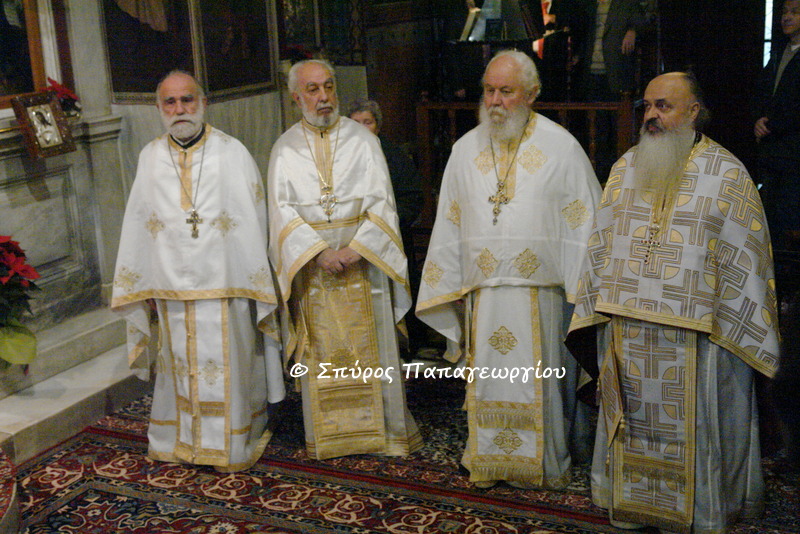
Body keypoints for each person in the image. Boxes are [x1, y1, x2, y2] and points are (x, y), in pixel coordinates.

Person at [569, 72, 780, 532]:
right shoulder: (626, 167)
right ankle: (634, 505)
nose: (651, 116)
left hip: (697, 338)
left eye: (663, 106)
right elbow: (602, 245)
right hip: (627, 328)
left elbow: (747, 261)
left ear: (693, 111)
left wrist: (731, 319)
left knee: (697, 428)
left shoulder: (727, 174)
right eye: (646, 106)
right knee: (631, 422)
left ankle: (700, 512)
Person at [416, 49, 601, 489]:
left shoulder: (561, 147)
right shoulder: (465, 149)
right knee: (489, 382)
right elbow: (450, 221)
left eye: (506, 91)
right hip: (484, 294)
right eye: (489, 90)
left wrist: (583, 287)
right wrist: (450, 281)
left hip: (542, 294)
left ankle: (543, 463)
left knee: (539, 382)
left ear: (532, 94)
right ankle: (488, 458)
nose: (495, 101)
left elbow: (584, 219)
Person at [111, 71, 285, 472]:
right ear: (159, 108)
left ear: (203, 103)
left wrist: (252, 278)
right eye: (170, 102)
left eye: (187, 100)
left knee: (231, 364)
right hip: (171, 286)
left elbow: (253, 219)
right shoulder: (150, 157)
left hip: (227, 283)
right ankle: (181, 440)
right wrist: (143, 284)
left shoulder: (232, 152)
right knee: (179, 365)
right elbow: (139, 224)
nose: (180, 110)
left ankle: (233, 441)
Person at [267, 59, 422, 460]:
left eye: (329, 87)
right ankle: (332, 436)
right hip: (314, 271)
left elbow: (384, 203)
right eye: (313, 90)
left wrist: (358, 248)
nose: (324, 97)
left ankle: (385, 433)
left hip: (364, 265)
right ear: (296, 97)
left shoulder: (363, 141)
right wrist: (318, 252)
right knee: (324, 355)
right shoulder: (284, 149)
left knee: (376, 349)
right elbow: (281, 213)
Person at [348, 98, 424, 358]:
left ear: (377, 126)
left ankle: (405, 349)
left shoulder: (394, 157)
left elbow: (413, 197)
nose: (362, 128)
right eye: (356, 123)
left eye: (367, 122)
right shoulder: (340, 159)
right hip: (353, 244)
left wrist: (385, 223)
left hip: (392, 240)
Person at [753, 0, 800, 252]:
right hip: (773, 149)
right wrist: (759, 119)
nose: (786, 17)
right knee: (769, 217)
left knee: (791, 218)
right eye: (784, 12)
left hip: (794, 147)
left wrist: (773, 124)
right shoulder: (780, 51)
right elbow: (764, 92)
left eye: (794, 12)